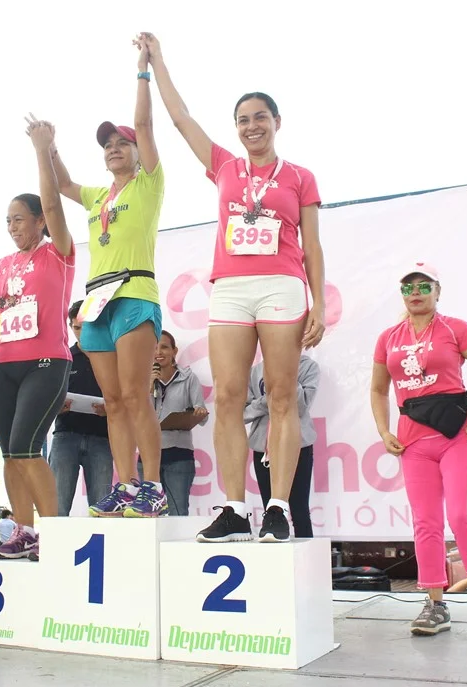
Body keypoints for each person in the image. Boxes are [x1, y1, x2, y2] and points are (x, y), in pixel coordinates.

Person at [141, 33, 327, 542]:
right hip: (230, 288)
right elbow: (181, 119)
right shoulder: (224, 165)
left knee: (282, 395)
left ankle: (278, 508)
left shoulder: (300, 177)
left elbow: (312, 245)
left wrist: (317, 303)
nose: (251, 126)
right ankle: (234, 509)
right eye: (243, 120)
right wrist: (156, 62)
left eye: (260, 117)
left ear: (277, 122)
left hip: (282, 285)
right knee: (227, 396)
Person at [47, 37, 168, 519]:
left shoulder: (148, 183)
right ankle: (126, 485)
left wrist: (143, 71)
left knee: (136, 394)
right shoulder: (99, 195)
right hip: (96, 303)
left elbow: (145, 123)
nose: (115, 149)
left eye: (123, 143)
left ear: (138, 152)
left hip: (134, 294)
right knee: (113, 399)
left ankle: (153, 485)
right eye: (108, 145)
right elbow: (61, 183)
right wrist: (49, 146)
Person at [0, 119, 75, 559]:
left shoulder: (58, 251)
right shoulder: (3, 264)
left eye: (19, 219)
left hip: (45, 362)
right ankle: (23, 531)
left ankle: (55, 533)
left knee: (27, 446)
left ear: (41, 221)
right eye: (7, 221)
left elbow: (54, 202)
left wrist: (42, 150)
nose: (12, 227)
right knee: (10, 453)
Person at [369, 261, 467, 638]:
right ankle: (435, 604)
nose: (415, 293)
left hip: (460, 434)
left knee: (461, 515)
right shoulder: (388, 337)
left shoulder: (455, 328)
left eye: (424, 286)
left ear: (438, 291)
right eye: (407, 287)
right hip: (414, 440)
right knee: (426, 522)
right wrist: (383, 430)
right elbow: (378, 389)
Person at [244, 353, 320, 539]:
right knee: (270, 509)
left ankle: (306, 554)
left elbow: (301, 406)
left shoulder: (308, 367)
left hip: (298, 446)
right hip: (263, 448)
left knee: (299, 508)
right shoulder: (255, 371)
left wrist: (286, 376)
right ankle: (274, 549)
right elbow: (244, 412)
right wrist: (273, 400)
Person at [49, 300, 114, 516]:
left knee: (102, 507)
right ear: (70, 327)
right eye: (77, 328)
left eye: (87, 327)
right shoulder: (63, 358)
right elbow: (47, 397)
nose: (82, 333)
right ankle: (54, 539)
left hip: (103, 436)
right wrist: (56, 407)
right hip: (66, 433)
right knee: (57, 504)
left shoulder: (112, 358)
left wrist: (111, 409)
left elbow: (125, 398)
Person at [141, 330, 208, 516]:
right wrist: (149, 386)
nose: (158, 352)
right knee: (146, 512)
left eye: (164, 347)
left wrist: (198, 412)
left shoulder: (188, 378)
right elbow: (137, 413)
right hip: (147, 453)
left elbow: (202, 414)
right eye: (154, 348)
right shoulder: (142, 379)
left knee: (178, 510)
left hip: (179, 453)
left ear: (174, 351)